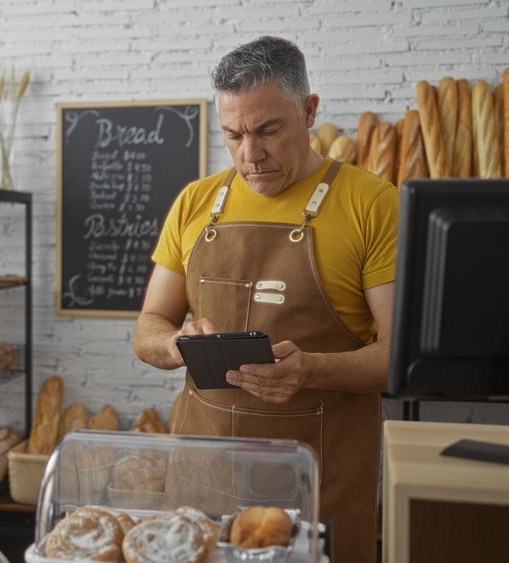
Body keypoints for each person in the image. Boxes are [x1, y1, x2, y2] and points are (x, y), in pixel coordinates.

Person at [133, 36, 398, 563]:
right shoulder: (195, 202)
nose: (249, 155)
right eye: (232, 135)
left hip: (319, 481)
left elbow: (400, 360)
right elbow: (149, 325)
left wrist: (311, 370)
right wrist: (176, 344)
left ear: (309, 110)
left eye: (268, 131)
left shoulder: (373, 203)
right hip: (203, 477)